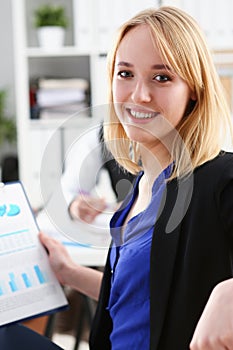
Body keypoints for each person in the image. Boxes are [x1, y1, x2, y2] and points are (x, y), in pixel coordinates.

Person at [39, 5, 233, 350]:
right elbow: (144, 298)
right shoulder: (141, 188)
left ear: (195, 90)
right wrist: (70, 273)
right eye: (125, 74)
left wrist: (229, 292)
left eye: (162, 77)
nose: (138, 95)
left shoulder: (222, 178)